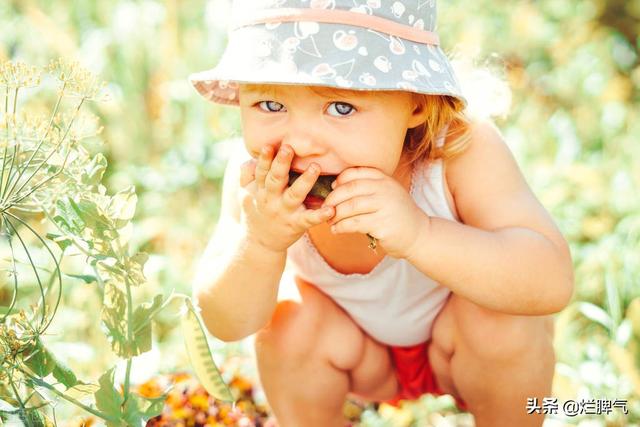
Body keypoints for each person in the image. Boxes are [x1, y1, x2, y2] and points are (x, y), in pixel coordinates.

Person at [189, 1, 574, 426]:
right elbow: (225, 322)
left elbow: (551, 280)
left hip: (464, 343)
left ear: (417, 104)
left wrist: (421, 235)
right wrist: (259, 242)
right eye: (270, 105)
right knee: (288, 324)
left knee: (505, 323)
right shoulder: (257, 184)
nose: (300, 142)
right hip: (355, 354)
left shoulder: (461, 151)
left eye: (341, 107)